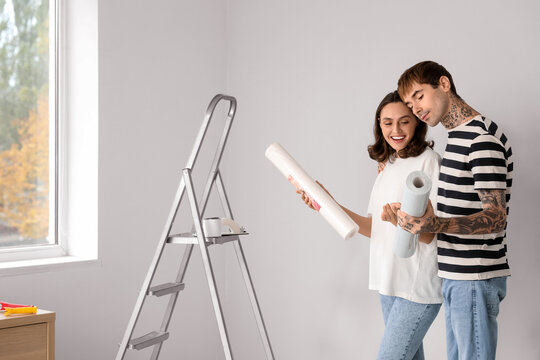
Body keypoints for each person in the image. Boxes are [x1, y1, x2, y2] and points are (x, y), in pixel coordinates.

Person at [298, 91, 442, 360]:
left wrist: (401, 220)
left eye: (404, 121)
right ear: (379, 125)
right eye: (387, 122)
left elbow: (430, 235)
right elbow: (372, 228)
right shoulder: (388, 165)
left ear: (417, 123)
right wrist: (327, 203)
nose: (395, 130)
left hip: (416, 288)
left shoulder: (428, 161)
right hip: (388, 283)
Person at [394, 61, 512, 360]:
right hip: (456, 276)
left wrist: (433, 225)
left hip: (474, 276)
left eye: (419, 96)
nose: (416, 109)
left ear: (444, 84)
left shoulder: (480, 138)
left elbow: (495, 218)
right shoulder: (458, 136)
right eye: (409, 103)